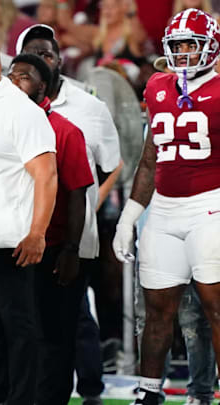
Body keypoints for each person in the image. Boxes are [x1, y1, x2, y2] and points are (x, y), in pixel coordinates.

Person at [112, 8, 220, 405]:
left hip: (212, 203)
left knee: (214, 307)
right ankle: (149, 391)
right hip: (165, 207)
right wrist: (129, 217)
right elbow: (150, 157)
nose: (185, 53)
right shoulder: (157, 85)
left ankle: (208, 391)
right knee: (156, 310)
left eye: (192, 45)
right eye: (178, 46)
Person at [17, 24, 123, 404]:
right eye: (32, 55)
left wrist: (88, 213)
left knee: (68, 323)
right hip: (15, 240)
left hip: (70, 237)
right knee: (26, 327)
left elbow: (111, 165)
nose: (42, 61)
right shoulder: (5, 111)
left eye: (47, 53)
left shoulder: (86, 109)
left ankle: (88, 388)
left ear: (59, 59)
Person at [0, 36, 57, 405]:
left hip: (11, 241)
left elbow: (47, 175)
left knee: (18, 328)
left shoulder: (22, 110)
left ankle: (22, 400)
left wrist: (38, 233)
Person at [7, 52, 94, 405]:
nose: (15, 81)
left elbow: (77, 194)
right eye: (12, 75)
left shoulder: (65, 130)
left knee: (54, 336)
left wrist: (72, 250)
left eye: (24, 76)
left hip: (53, 247)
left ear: (43, 86)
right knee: (11, 334)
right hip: (5, 250)